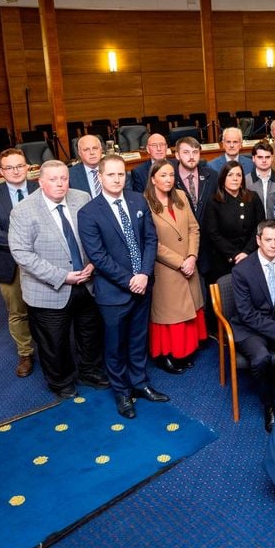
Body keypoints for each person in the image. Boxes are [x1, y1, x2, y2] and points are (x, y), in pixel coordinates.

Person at [78, 154, 169, 419]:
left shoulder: (138, 199)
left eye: (121, 174)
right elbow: (98, 256)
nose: (117, 179)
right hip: (114, 292)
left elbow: (150, 240)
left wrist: (143, 274)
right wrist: (130, 280)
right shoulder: (88, 213)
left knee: (138, 339)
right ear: (100, 177)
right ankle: (122, 391)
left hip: (143, 284)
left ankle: (140, 383)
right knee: (115, 345)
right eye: (111, 175)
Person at [8, 160, 107, 398]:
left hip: (86, 281)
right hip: (48, 289)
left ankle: (89, 372)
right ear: (40, 182)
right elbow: (22, 254)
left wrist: (94, 262)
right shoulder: (23, 211)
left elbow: (97, 233)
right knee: (55, 342)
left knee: (89, 333)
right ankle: (61, 382)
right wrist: (62, 276)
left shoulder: (82, 198)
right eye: (53, 179)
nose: (60, 183)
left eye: (63, 178)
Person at [229, 220, 275, 432]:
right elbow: (247, 314)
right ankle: (268, 405)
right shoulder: (242, 270)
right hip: (249, 328)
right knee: (262, 358)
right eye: (268, 240)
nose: (273, 245)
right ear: (258, 240)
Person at [0, 147, 39, 378]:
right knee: (17, 311)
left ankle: (49, 348)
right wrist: (22, 244)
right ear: (1, 172)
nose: (15, 171)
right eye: (9, 167)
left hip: (42, 259)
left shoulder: (39, 188)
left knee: (45, 308)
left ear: (27, 167)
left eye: (19, 165)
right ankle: (26, 353)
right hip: (8, 262)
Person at [144, 159, 206, 374]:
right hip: (166, 270)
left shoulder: (180, 196)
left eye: (171, 175)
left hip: (189, 264)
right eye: (163, 175)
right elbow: (151, 241)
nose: (168, 179)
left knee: (189, 310)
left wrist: (191, 256)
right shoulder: (145, 203)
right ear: (153, 178)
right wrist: (180, 262)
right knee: (170, 316)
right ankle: (166, 355)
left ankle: (185, 352)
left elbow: (193, 229)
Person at [203, 160, 265, 284]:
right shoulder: (213, 201)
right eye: (230, 175)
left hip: (250, 255)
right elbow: (213, 233)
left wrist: (246, 252)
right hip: (224, 259)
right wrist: (235, 254)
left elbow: (260, 227)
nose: (235, 179)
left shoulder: (253, 197)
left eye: (238, 175)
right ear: (222, 178)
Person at [174, 136, 218, 275]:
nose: (191, 157)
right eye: (186, 152)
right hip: (181, 246)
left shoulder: (212, 176)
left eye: (195, 152)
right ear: (177, 155)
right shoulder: (170, 179)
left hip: (209, 246)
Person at [244, 141, 275, 219]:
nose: (264, 160)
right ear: (253, 158)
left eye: (267, 157)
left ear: (272, 158)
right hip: (254, 228)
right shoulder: (245, 181)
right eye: (260, 157)